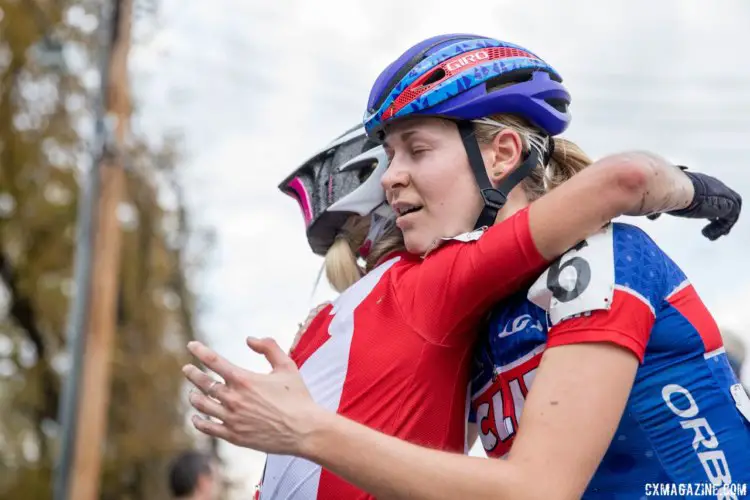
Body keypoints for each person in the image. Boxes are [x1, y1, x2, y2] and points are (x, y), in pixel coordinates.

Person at [182, 34, 743, 500]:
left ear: (501, 154)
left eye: (416, 150)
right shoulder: (481, 316)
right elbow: (423, 471)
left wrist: (308, 429)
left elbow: (536, 492)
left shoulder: (602, 255)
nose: (389, 178)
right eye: (390, 156)